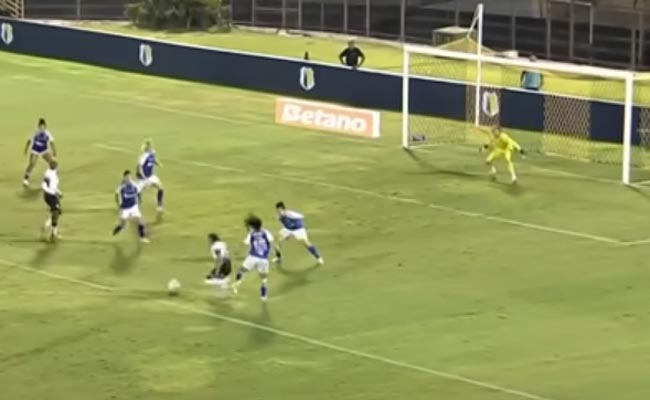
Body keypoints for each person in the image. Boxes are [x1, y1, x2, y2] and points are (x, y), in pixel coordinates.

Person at [232, 215, 274, 302]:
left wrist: (237, 252)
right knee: (264, 279)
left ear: (252, 226)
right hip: (264, 259)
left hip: (253, 257)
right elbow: (271, 242)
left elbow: (244, 244)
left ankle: (236, 285)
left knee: (240, 270)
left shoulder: (251, 234)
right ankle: (263, 296)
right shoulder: (266, 232)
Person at [112, 170, 149, 243]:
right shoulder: (122, 186)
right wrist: (118, 203)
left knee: (140, 222)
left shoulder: (135, 185)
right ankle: (118, 229)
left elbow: (139, 193)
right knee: (123, 224)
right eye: (127, 177)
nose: (128, 178)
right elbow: (116, 194)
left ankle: (142, 237)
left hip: (134, 206)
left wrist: (139, 201)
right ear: (124, 178)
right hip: (125, 208)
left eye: (130, 177)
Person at [23, 118, 57, 187]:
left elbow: (52, 142)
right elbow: (29, 141)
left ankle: (51, 176)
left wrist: (54, 152)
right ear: (38, 126)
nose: (42, 129)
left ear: (45, 127)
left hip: (44, 150)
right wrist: (26, 150)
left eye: (43, 127)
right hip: (35, 150)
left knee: (53, 162)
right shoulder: (35, 132)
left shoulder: (47, 133)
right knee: (32, 163)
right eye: (40, 127)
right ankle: (26, 178)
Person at [136, 139, 164, 212]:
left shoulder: (152, 152)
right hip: (143, 178)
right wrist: (144, 178)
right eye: (146, 146)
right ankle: (137, 206)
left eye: (148, 145)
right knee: (138, 192)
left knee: (160, 187)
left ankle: (159, 205)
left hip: (151, 176)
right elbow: (139, 168)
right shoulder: (142, 157)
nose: (148, 147)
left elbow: (153, 159)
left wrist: (158, 163)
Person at [41, 159, 62, 242]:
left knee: (57, 211)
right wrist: (50, 192)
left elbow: (53, 186)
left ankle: (48, 225)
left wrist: (58, 192)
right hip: (50, 196)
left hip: (52, 195)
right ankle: (53, 234)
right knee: (56, 212)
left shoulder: (52, 172)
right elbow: (43, 185)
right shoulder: (49, 174)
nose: (55, 166)